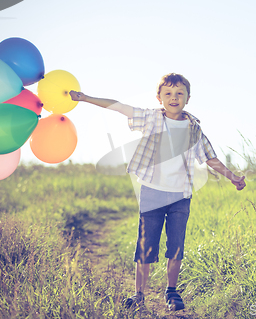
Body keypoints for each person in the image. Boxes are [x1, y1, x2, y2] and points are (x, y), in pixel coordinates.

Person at [70, 73, 245, 311]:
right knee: (146, 246)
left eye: (179, 93)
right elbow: (119, 107)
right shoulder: (151, 119)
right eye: (168, 93)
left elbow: (210, 158)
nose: (174, 98)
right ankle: (138, 293)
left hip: (180, 197)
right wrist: (85, 98)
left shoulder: (194, 130)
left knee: (176, 245)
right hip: (152, 192)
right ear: (159, 97)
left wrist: (233, 177)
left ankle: (171, 292)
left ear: (188, 98)